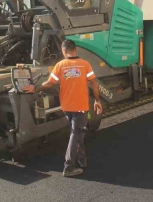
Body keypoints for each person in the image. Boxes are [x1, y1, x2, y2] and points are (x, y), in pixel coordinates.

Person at [22, 40, 102, 177]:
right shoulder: (85, 64)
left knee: (77, 132)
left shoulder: (60, 65)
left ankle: (82, 160)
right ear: (75, 50)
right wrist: (97, 101)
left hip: (67, 107)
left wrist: (35, 88)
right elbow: (94, 83)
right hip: (81, 106)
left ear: (64, 52)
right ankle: (69, 167)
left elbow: (49, 83)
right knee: (76, 133)